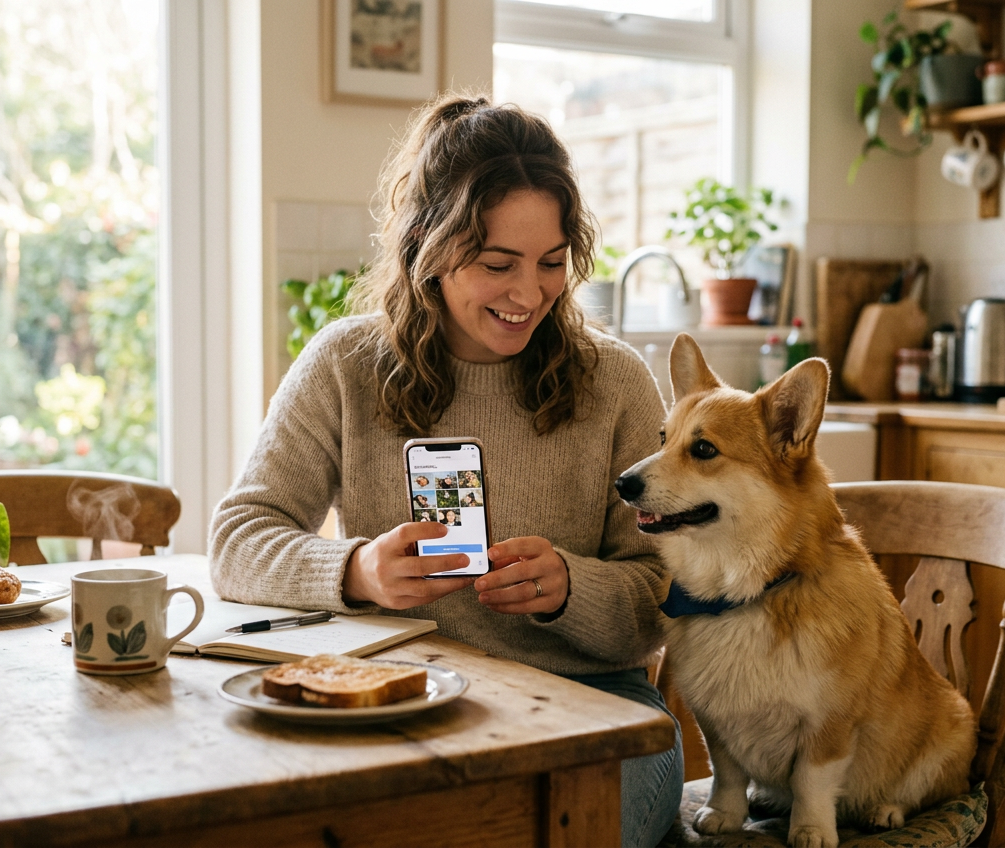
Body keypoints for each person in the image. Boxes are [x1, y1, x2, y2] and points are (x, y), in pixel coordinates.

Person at [209, 93, 682, 847]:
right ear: (429, 247)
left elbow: (668, 595)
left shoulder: (614, 381)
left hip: (600, 715)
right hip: (401, 708)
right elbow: (237, 539)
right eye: (498, 264)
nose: (529, 295)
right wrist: (356, 570)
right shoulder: (345, 364)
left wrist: (571, 589)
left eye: (551, 263)